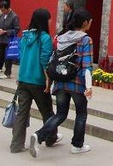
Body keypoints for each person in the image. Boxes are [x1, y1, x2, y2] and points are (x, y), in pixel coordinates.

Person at [30, 8, 93, 157]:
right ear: (85, 22)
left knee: (60, 114)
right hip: (77, 83)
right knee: (81, 113)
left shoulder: (61, 37)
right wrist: (89, 86)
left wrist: (50, 80)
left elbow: (53, 59)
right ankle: (77, 145)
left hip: (60, 82)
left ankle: (39, 135)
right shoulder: (85, 39)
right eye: (90, 21)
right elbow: (87, 65)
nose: (91, 23)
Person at [10, 8, 61, 153]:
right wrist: (48, 79)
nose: (51, 21)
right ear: (44, 20)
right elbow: (45, 60)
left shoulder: (25, 36)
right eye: (49, 19)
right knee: (47, 112)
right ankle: (50, 138)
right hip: (38, 80)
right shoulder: (45, 38)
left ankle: (16, 145)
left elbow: (21, 57)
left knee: (22, 113)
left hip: (23, 79)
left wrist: (20, 76)